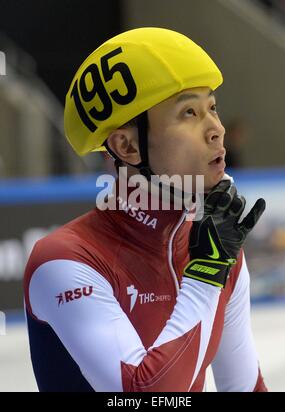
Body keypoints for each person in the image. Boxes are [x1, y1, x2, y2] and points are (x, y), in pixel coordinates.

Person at [24, 27, 267, 392]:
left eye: (212, 108)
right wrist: (205, 275)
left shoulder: (218, 252)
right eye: (189, 112)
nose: (216, 129)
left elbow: (246, 389)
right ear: (127, 146)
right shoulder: (64, 261)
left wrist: (214, 265)